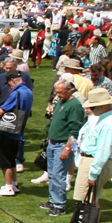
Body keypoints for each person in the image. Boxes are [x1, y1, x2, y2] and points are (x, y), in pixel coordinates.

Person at [68, 88, 112, 223]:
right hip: (91, 160)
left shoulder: (110, 122)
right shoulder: (106, 118)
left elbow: (104, 150)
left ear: (102, 105)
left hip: (95, 162)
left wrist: (93, 173)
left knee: (90, 201)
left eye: (92, 107)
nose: (90, 110)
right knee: (89, 200)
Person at [0, 71, 33, 197]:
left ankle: (8, 187)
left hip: (8, 130)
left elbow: (2, 111)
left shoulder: (16, 93)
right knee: (12, 159)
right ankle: (14, 183)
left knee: (4, 161)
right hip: (19, 130)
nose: (9, 86)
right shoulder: (28, 92)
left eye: (9, 84)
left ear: (12, 80)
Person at [41, 80, 84, 216]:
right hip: (53, 143)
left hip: (62, 145)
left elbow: (75, 129)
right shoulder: (61, 102)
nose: (58, 95)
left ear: (69, 89)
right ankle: (53, 200)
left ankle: (60, 205)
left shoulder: (75, 105)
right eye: (56, 92)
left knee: (59, 175)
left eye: (61, 92)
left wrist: (67, 147)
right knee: (52, 174)